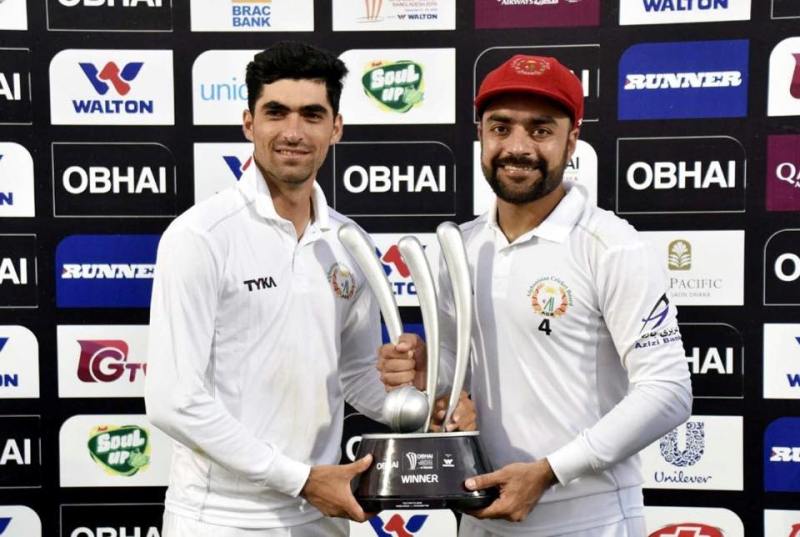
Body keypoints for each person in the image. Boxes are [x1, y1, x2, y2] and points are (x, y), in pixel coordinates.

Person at [145, 41, 473, 537]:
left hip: (321, 515)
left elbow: (357, 378)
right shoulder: (201, 237)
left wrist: (420, 405)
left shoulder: (348, 242)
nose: (293, 132)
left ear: (335, 127)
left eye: (312, 115)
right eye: (276, 112)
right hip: (220, 519)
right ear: (248, 123)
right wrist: (300, 480)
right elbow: (174, 401)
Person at [378, 55, 693, 536]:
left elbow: (668, 392)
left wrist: (549, 471)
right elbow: (454, 373)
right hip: (480, 513)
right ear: (481, 134)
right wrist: (428, 377)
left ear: (573, 140)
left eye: (541, 130)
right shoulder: (457, 247)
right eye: (501, 128)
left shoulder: (611, 245)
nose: (518, 147)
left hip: (589, 518)